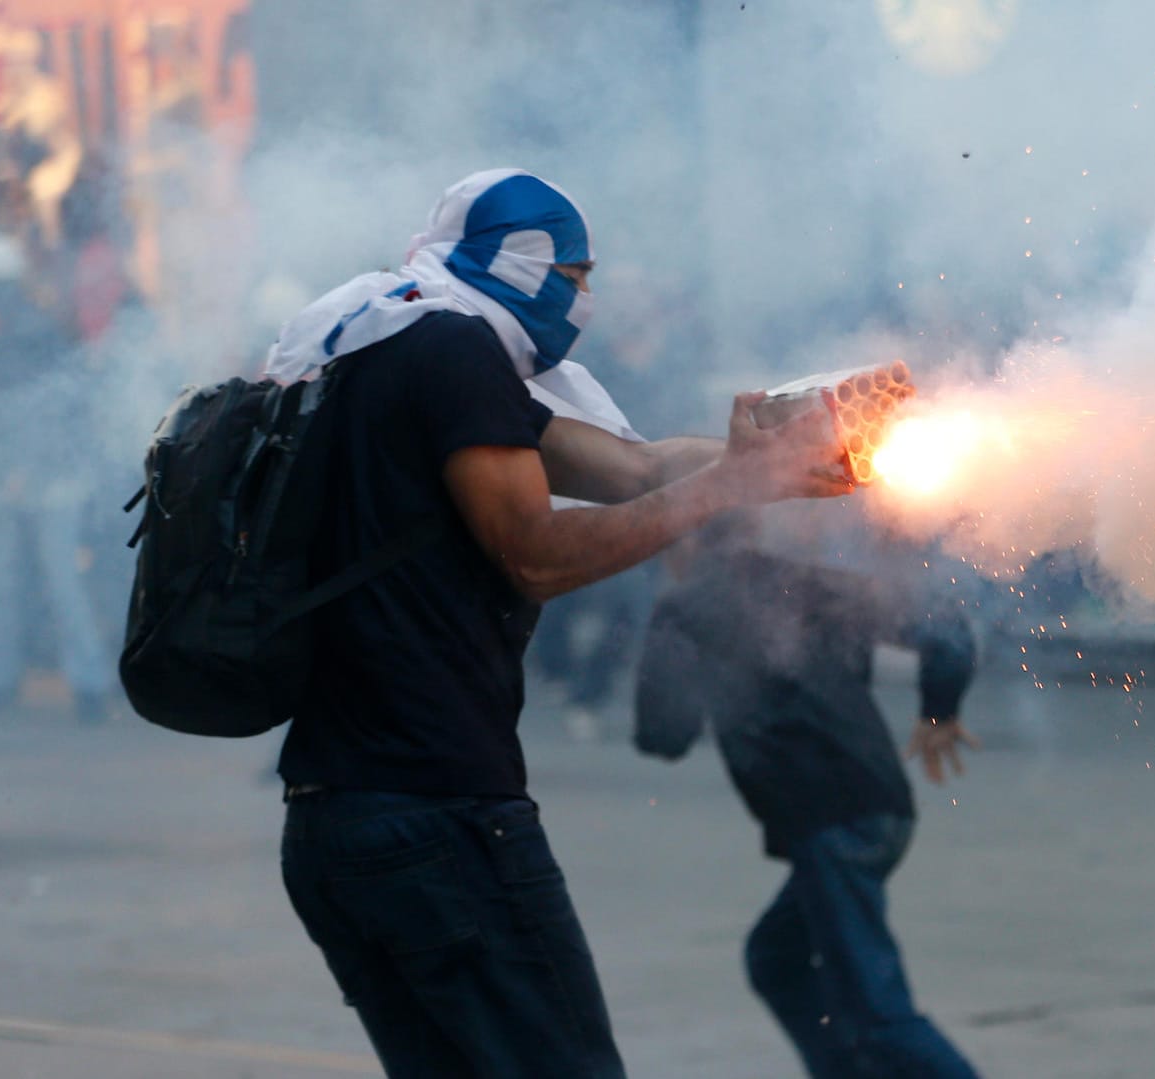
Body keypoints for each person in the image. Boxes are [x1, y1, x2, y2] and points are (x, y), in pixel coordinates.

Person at [267, 169, 849, 1078]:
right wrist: (729, 486)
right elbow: (535, 555)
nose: (585, 299)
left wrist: (778, 466)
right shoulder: (451, 351)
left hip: (338, 823)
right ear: (521, 263)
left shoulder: (385, 344)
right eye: (575, 274)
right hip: (437, 813)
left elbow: (634, 467)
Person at [634, 508, 982, 1078]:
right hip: (882, 808)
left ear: (679, 540)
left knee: (878, 1014)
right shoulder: (807, 580)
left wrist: (679, 654)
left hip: (831, 819)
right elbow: (944, 627)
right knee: (776, 959)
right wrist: (939, 710)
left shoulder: (686, 605)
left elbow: (663, 735)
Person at [0, 230, 114, 723]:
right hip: (3, 474)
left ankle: (87, 683)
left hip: (48, 477)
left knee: (58, 578)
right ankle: (1, 679)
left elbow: (50, 410)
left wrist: (25, 467)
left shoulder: (32, 332)